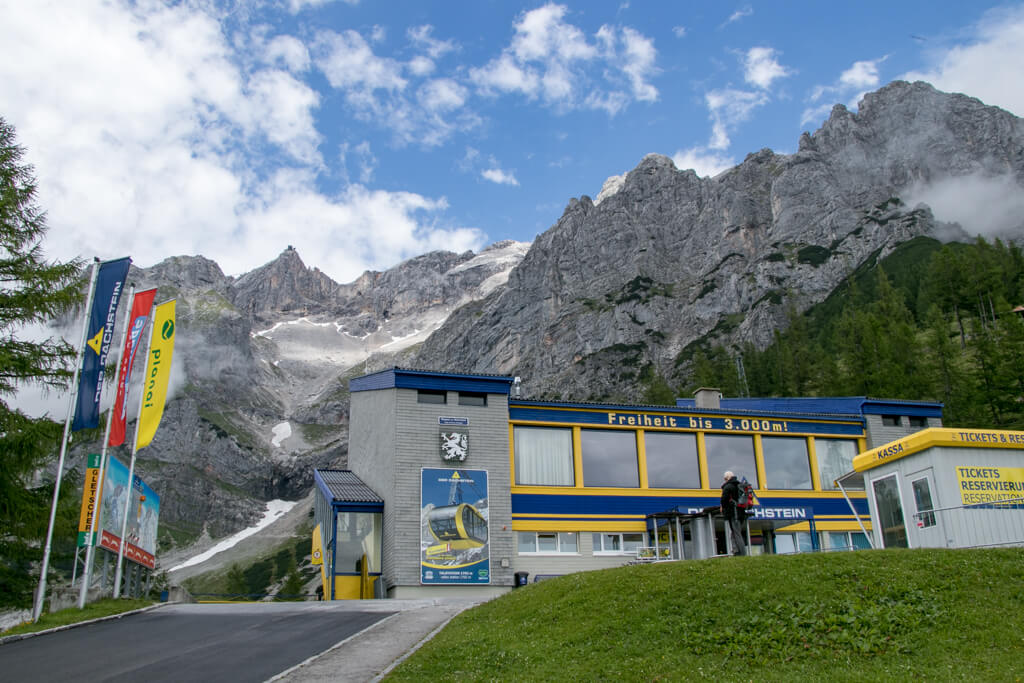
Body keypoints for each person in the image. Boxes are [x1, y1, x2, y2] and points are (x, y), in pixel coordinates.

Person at [720, 471, 748, 556]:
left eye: (725, 479)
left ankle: (742, 554)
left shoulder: (728, 486)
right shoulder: (739, 485)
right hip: (741, 513)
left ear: (727, 478)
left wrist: (723, 508)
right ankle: (736, 552)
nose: (724, 480)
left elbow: (723, 500)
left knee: (736, 533)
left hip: (733, 513)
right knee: (735, 533)